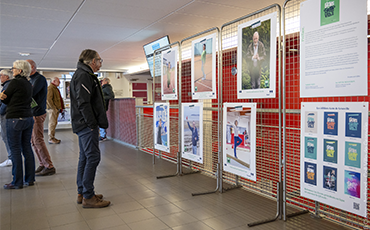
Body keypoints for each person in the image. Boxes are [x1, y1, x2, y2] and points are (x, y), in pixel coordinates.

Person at [70, 49, 110, 208]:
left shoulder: (82, 74)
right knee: (93, 157)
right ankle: (88, 196)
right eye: (100, 60)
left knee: (85, 157)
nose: (100, 64)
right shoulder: (84, 76)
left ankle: (83, 192)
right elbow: (84, 103)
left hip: (82, 124)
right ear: (93, 61)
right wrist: (92, 124)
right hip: (86, 125)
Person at [0, 60, 35, 189]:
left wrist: (2, 96)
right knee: (27, 147)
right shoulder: (28, 83)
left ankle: (17, 181)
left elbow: (5, 99)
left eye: (13, 68)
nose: (12, 70)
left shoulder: (14, 82)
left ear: (19, 70)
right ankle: (30, 178)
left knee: (15, 150)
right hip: (28, 118)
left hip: (14, 119)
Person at [27, 60, 56, 176]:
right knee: (33, 142)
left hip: (37, 113)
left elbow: (30, 93)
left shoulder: (39, 79)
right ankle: (42, 163)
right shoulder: (30, 79)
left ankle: (49, 166)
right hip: (31, 113)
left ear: (32, 67)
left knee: (38, 140)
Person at [0, 70, 13, 167]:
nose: (0, 77)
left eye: (1, 75)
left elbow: (5, 102)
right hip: (7, 114)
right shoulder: (7, 85)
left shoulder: (8, 86)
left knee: (6, 136)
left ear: (7, 77)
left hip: (6, 114)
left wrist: (0, 111)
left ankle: (11, 157)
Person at [46, 77, 65, 144]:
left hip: (55, 109)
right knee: (52, 123)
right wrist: (54, 108)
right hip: (53, 109)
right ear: (54, 81)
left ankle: (53, 137)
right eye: (58, 81)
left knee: (54, 123)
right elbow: (48, 99)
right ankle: (51, 138)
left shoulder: (55, 88)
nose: (59, 83)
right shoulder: (50, 88)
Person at [99, 77, 114, 141]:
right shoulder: (103, 88)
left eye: (102, 81)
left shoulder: (107, 88)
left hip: (103, 106)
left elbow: (111, 96)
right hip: (101, 106)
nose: (101, 82)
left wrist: (101, 97)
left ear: (106, 82)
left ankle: (103, 135)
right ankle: (101, 134)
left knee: (101, 120)